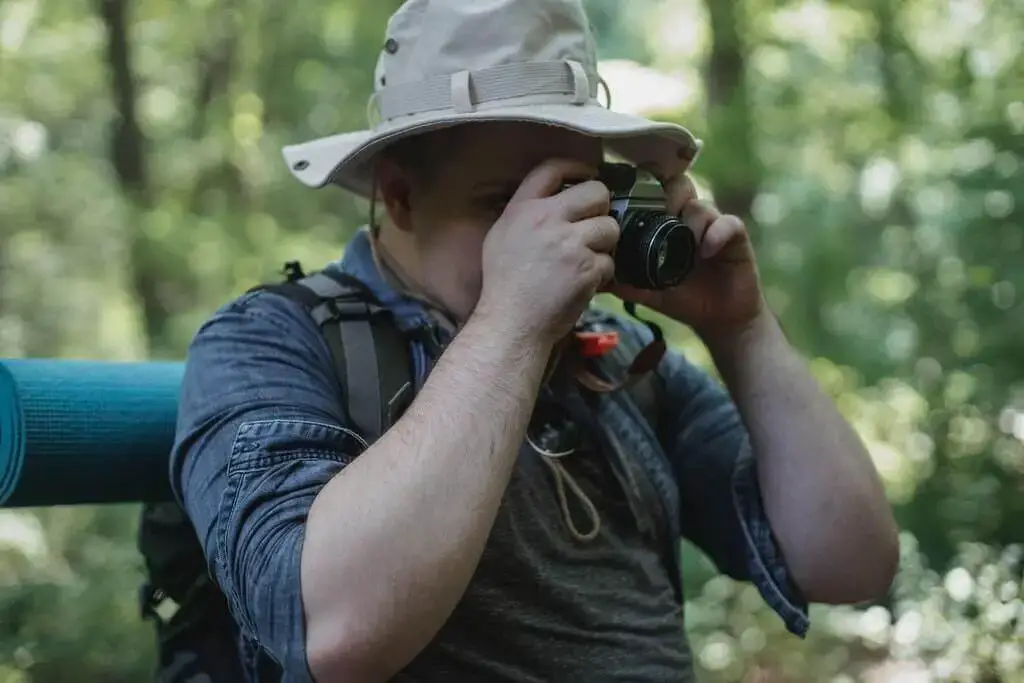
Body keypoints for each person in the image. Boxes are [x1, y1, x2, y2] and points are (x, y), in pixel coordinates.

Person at [169, 0, 900, 681]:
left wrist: (740, 329)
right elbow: (323, 627)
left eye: (569, 196)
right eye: (502, 203)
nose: (546, 238)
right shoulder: (270, 340)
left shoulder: (613, 356)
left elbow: (850, 563)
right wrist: (510, 327)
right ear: (399, 195)